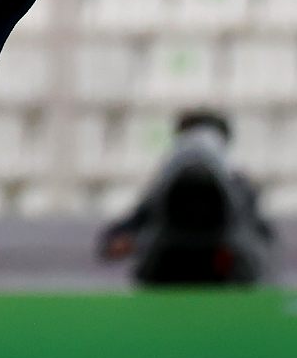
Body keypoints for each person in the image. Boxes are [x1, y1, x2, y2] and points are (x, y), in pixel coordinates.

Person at [98, 110, 278, 285]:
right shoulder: (162, 189)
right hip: (168, 272)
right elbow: (122, 235)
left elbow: (262, 241)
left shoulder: (239, 188)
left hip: (224, 276)